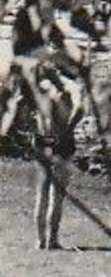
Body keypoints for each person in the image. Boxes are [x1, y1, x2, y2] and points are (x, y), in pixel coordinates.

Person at [0, 60, 85, 250]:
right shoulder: (70, 86)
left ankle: (40, 240)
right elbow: (80, 108)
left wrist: (29, 127)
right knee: (57, 194)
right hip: (62, 141)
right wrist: (68, 128)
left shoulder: (39, 87)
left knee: (42, 193)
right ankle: (52, 240)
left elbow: (19, 105)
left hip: (41, 139)